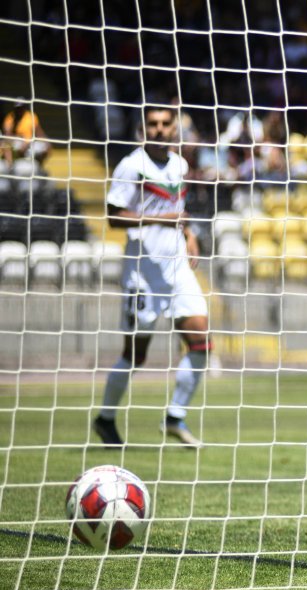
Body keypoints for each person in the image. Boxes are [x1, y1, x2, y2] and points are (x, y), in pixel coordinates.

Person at [92, 103, 210, 448]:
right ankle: (106, 418)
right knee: (135, 355)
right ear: (144, 129)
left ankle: (175, 417)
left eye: (165, 123)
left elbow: (178, 211)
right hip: (142, 273)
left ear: (175, 128)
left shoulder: (180, 164)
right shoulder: (132, 166)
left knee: (202, 341)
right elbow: (114, 217)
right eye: (153, 124)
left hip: (176, 270)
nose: (159, 129)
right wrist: (162, 220)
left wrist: (189, 236)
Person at [2, 100, 50, 165]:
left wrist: (46, 141)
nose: (19, 110)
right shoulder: (10, 117)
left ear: (24, 108)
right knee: (5, 144)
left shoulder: (31, 117)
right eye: (18, 108)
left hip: (31, 142)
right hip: (17, 141)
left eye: (21, 108)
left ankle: (39, 166)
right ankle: (10, 166)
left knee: (45, 147)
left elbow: (38, 131)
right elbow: (7, 135)